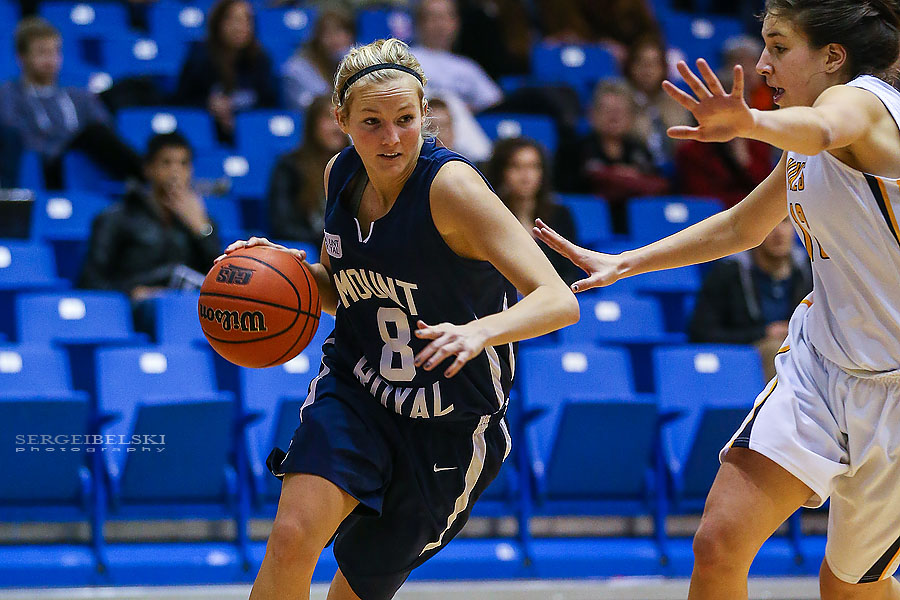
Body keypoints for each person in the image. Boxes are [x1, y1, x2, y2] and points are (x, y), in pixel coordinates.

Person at [535, 1, 900, 597]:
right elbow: (741, 227)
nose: (761, 65)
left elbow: (830, 126)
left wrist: (750, 123)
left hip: (894, 392)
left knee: (848, 587)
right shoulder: (803, 138)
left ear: (833, 57)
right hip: (821, 367)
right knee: (718, 542)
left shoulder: (862, 103)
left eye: (780, 48)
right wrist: (626, 261)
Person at [223, 38, 579, 600]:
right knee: (292, 537)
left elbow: (558, 299)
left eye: (405, 119)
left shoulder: (453, 189)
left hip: (449, 422)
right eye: (371, 122)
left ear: (426, 115)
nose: (391, 139)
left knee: (352, 591)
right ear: (339, 119)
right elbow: (350, 292)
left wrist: (479, 330)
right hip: (358, 390)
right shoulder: (341, 174)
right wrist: (272, 273)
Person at [79, 132, 221, 331]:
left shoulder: (202, 222)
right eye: (166, 163)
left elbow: (220, 279)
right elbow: (89, 280)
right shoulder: (116, 217)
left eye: (183, 164)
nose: (175, 172)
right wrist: (132, 291)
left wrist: (202, 230)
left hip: (185, 308)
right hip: (132, 311)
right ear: (148, 169)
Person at [0, 17, 143, 189]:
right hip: (44, 162)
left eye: (55, 52)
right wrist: (54, 148)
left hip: (78, 152)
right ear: (21, 57)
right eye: (42, 52)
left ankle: (145, 175)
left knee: (102, 126)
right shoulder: (10, 93)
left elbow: (105, 126)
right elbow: (13, 131)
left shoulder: (77, 95)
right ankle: (147, 173)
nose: (50, 60)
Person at [688, 218, 812, 380]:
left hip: (797, 345)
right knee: (776, 351)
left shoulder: (808, 268)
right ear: (754, 230)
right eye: (770, 224)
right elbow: (701, 332)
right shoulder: (728, 272)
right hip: (746, 353)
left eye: (785, 222)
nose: (778, 232)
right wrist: (763, 333)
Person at [555, 78, 670, 232]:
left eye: (621, 111)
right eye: (607, 110)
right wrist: (627, 179)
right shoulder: (573, 150)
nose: (614, 117)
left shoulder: (640, 150)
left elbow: (659, 187)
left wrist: (609, 178)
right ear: (592, 113)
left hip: (633, 227)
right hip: (587, 226)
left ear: (631, 116)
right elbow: (569, 192)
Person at [174, 0, 278, 143]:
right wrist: (207, 105)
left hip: (251, 138)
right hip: (206, 135)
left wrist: (241, 119)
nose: (241, 26)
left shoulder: (260, 59)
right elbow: (180, 102)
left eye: (247, 19)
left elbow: (270, 105)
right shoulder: (200, 57)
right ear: (218, 23)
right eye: (234, 19)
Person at [485, 136, 580, 285]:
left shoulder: (560, 215)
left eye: (533, 166)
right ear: (501, 172)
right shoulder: (488, 217)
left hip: (554, 301)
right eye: (516, 166)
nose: (526, 175)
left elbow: (570, 273)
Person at [267, 95, 349, 245]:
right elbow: (282, 225)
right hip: (307, 250)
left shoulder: (357, 167)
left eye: (342, 119)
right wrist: (324, 241)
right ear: (312, 125)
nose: (337, 127)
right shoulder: (289, 166)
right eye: (330, 118)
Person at [624, 35, 692, 169]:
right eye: (642, 63)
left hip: (677, 171)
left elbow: (687, 145)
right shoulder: (621, 99)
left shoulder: (677, 102)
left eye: (654, 63)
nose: (648, 69)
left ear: (664, 68)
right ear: (631, 66)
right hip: (636, 168)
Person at [282, 7, 355, 112]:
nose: (334, 38)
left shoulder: (363, 62)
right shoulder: (298, 69)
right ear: (317, 37)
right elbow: (309, 108)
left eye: (341, 31)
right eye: (327, 32)